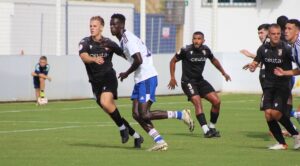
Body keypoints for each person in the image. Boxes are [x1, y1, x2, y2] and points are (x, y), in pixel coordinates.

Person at [110, 13, 194, 151]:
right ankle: (159, 141)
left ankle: (181, 114)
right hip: (140, 79)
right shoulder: (123, 40)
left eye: (115, 24)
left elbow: (138, 59)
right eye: (111, 24)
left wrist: (126, 73)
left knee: (144, 114)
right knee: (136, 115)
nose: (112, 27)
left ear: (122, 26)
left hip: (147, 77)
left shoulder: (127, 39)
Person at [79, 16, 143, 148]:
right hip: (95, 83)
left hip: (109, 77)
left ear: (101, 27)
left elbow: (127, 55)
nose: (92, 28)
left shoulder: (109, 43)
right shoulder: (85, 42)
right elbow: (83, 56)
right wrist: (93, 59)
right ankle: (137, 137)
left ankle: (121, 129)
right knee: (112, 112)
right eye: (90, 26)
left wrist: (138, 65)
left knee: (105, 102)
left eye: (95, 26)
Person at [168, 31, 231, 138]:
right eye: (194, 39)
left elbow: (214, 60)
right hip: (188, 82)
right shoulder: (185, 50)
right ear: (192, 40)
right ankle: (206, 131)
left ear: (203, 40)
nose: (196, 41)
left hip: (200, 81)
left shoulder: (206, 50)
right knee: (198, 103)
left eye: (199, 39)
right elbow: (172, 61)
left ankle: (212, 127)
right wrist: (172, 77)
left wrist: (223, 72)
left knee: (217, 101)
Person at [247, 24, 300, 150]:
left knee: (276, 113)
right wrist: (252, 66)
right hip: (268, 86)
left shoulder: (287, 48)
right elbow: (256, 61)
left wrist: (286, 73)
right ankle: (282, 143)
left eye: (278, 34)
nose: (276, 36)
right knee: (268, 114)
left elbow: (298, 66)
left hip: (282, 85)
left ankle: (296, 135)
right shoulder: (263, 49)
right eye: (273, 34)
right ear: (269, 35)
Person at [274, 19, 300, 121]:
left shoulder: (298, 46)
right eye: (285, 28)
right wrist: (284, 72)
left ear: (297, 31)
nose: (286, 31)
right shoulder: (293, 46)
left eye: (290, 29)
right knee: (298, 113)